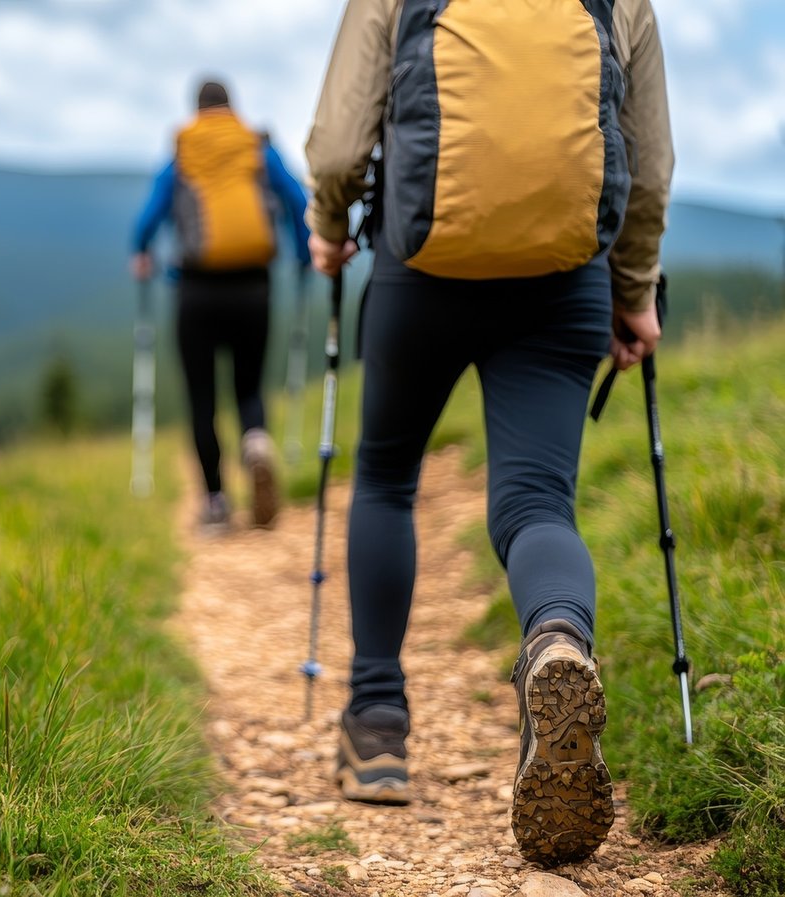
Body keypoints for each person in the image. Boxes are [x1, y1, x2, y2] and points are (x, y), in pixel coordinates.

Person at [305, 0, 672, 867]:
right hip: (561, 280)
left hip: (419, 271)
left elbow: (336, 150)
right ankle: (553, 637)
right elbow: (648, 170)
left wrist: (329, 229)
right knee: (538, 502)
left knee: (388, 477)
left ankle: (378, 726)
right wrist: (635, 288)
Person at [132, 79, 313, 532]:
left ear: (197, 109)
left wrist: (141, 251)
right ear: (231, 107)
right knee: (249, 385)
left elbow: (149, 217)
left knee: (202, 397)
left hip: (195, 290)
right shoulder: (256, 147)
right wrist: (305, 256)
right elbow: (295, 200)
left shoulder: (183, 153)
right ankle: (255, 442)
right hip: (254, 287)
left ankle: (214, 502)